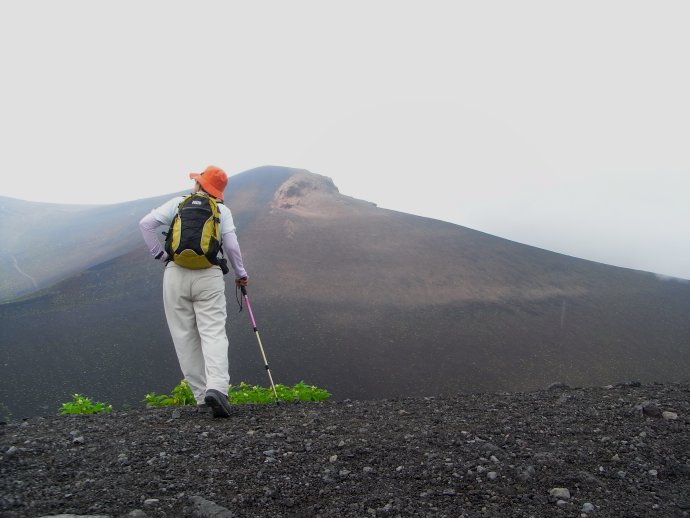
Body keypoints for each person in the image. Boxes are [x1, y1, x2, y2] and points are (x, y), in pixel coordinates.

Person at [138, 165, 248, 418]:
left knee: (184, 335)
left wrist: (160, 254)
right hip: (209, 275)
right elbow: (231, 245)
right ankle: (217, 389)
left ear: (199, 184)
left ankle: (200, 397)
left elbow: (145, 225)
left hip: (175, 273)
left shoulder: (178, 204)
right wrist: (241, 274)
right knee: (213, 332)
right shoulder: (222, 210)